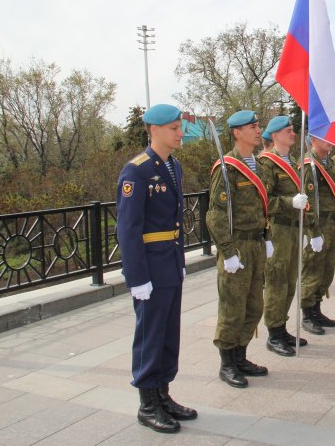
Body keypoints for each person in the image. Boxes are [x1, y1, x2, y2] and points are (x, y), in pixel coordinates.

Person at [117, 104, 197, 433]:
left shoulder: (172, 166)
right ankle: (147, 403)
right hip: (149, 267)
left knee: (167, 334)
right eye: (174, 128)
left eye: (180, 128)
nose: (181, 134)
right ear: (154, 130)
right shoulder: (135, 171)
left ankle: (163, 394)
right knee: (150, 335)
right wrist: (137, 277)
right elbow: (128, 228)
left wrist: (178, 262)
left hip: (169, 261)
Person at [208, 110, 270, 389]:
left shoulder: (258, 164)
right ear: (237, 133)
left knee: (254, 305)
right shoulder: (227, 168)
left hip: (256, 243)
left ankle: (241, 355)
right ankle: (227, 363)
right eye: (252, 127)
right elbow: (216, 215)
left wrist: (267, 236)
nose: (258, 131)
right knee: (232, 306)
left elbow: (261, 206)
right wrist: (228, 251)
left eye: (258, 126)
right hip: (238, 246)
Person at [257, 115, 316, 356]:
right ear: (275, 136)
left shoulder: (290, 161)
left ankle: (281, 327)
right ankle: (273, 333)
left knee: (290, 281)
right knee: (277, 281)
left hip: (293, 228)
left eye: (293, 130)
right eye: (288, 131)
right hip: (278, 228)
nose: (293, 134)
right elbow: (264, 200)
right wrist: (288, 202)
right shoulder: (267, 164)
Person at [300, 135, 335, 335]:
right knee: (313, 270)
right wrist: (312, 232)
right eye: (323, 138)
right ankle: (307, 314)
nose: (329, 140)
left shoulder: (328, 163)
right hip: (317, 224)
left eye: (329, 137)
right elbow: (307, 201)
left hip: (330, 222)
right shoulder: (309, 165)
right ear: (312, 141)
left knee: (327, 270)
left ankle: (317, 310)